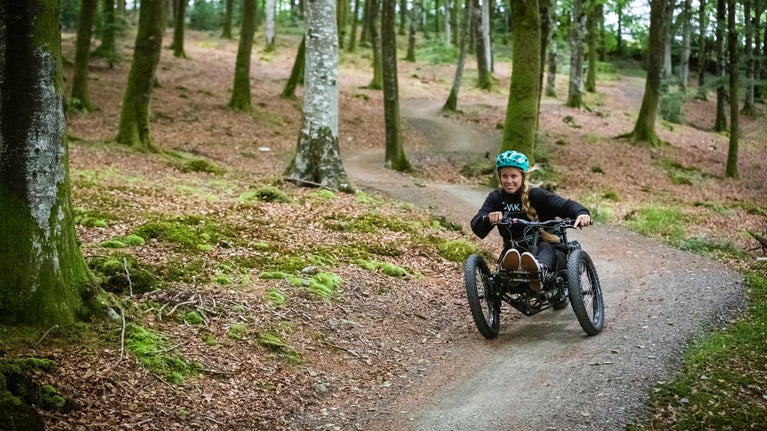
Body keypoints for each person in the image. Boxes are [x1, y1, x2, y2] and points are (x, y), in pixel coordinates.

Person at [470, 150, 591, 292]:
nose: (509, 181)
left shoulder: (535, 195)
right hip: (514, 251)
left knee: (543, 247)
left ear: (522, 176)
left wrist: (582, 213)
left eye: (514, 176)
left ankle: (538, 272)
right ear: (499, 177)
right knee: (513, 254)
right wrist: (488, 219)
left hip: (545, 246)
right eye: (505, 176)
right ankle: (514, 277)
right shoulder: (495, 198)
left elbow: (564, 205)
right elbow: (476, 225)